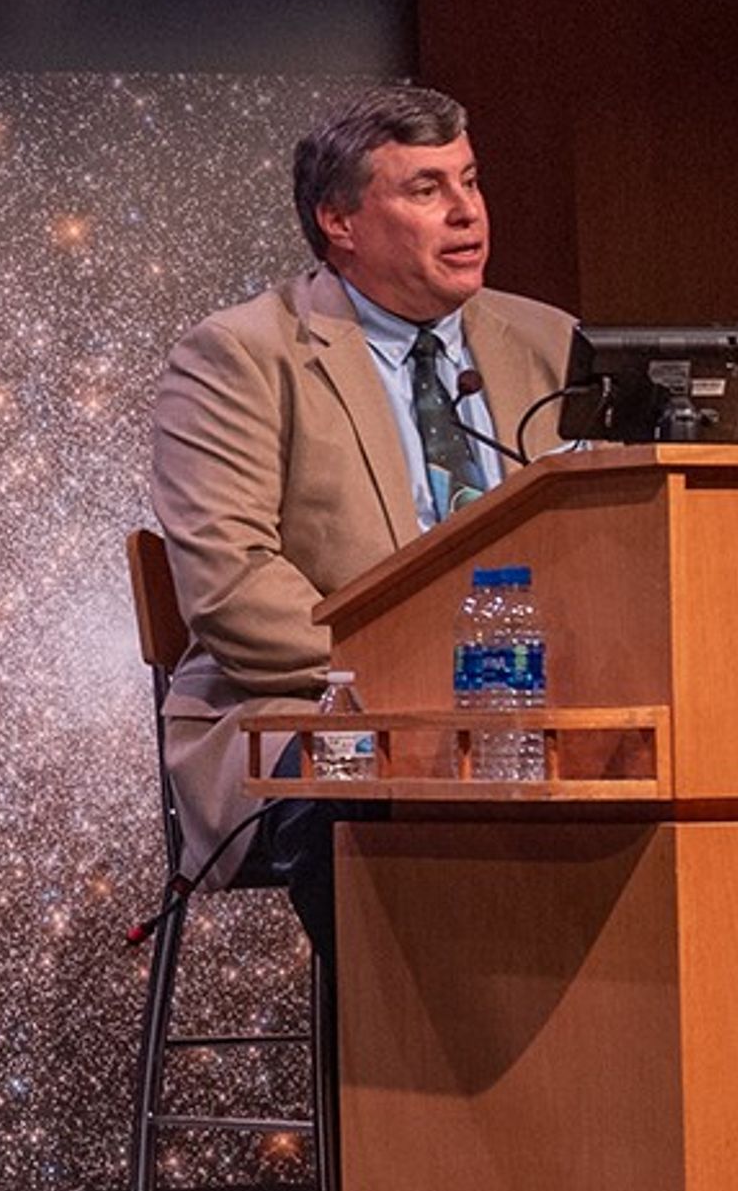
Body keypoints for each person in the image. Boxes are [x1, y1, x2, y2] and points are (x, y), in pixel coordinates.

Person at [147, 86, 575, 934]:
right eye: (426, 191)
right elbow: (232, 591)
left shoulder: (551, 342)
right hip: (306, 716)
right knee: (378, 796)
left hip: (532, 713)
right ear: (339, 222)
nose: (466, 214)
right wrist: (425, 677)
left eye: (471, 182)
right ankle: (395, 1066)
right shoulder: (240, 356)